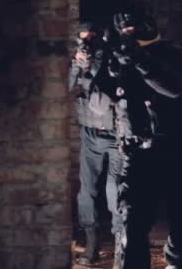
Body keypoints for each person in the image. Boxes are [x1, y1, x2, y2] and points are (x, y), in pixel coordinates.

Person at [108, 9, 182, 269]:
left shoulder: (174, 55)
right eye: (123, 32)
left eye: (132, 30)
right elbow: (106, 99)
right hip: (137, 151)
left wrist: (140, 59)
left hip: (175, 147)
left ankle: (177, 263)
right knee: (132, 220)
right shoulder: (123, 60)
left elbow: (173, 87)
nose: (129, 36)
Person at [69, 21, 122, 266]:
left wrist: (90, 67)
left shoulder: (113, 56)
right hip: (90, 133)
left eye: (91, 39)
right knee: (86, 193)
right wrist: (77, 67)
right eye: (83, 40)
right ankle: (91, 242)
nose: (87, 44)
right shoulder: (80, 61)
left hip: (115, 134)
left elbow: (104, 88)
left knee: (115, 190)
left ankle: (121, 241)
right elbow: (68, 89)